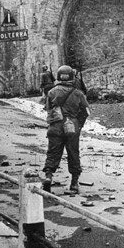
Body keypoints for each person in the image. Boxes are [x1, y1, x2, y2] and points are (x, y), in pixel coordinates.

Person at [42, 65, 90, 194]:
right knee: (73, 153)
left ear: (58, 76)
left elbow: (48, 108)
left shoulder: (51, 92)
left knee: (52, 152)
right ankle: (74, 184)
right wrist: (78, 125)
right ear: (72, 77)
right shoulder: (78, 93)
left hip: (55, 125)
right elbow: (85, 112)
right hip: (72, 125)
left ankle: (48, 176)